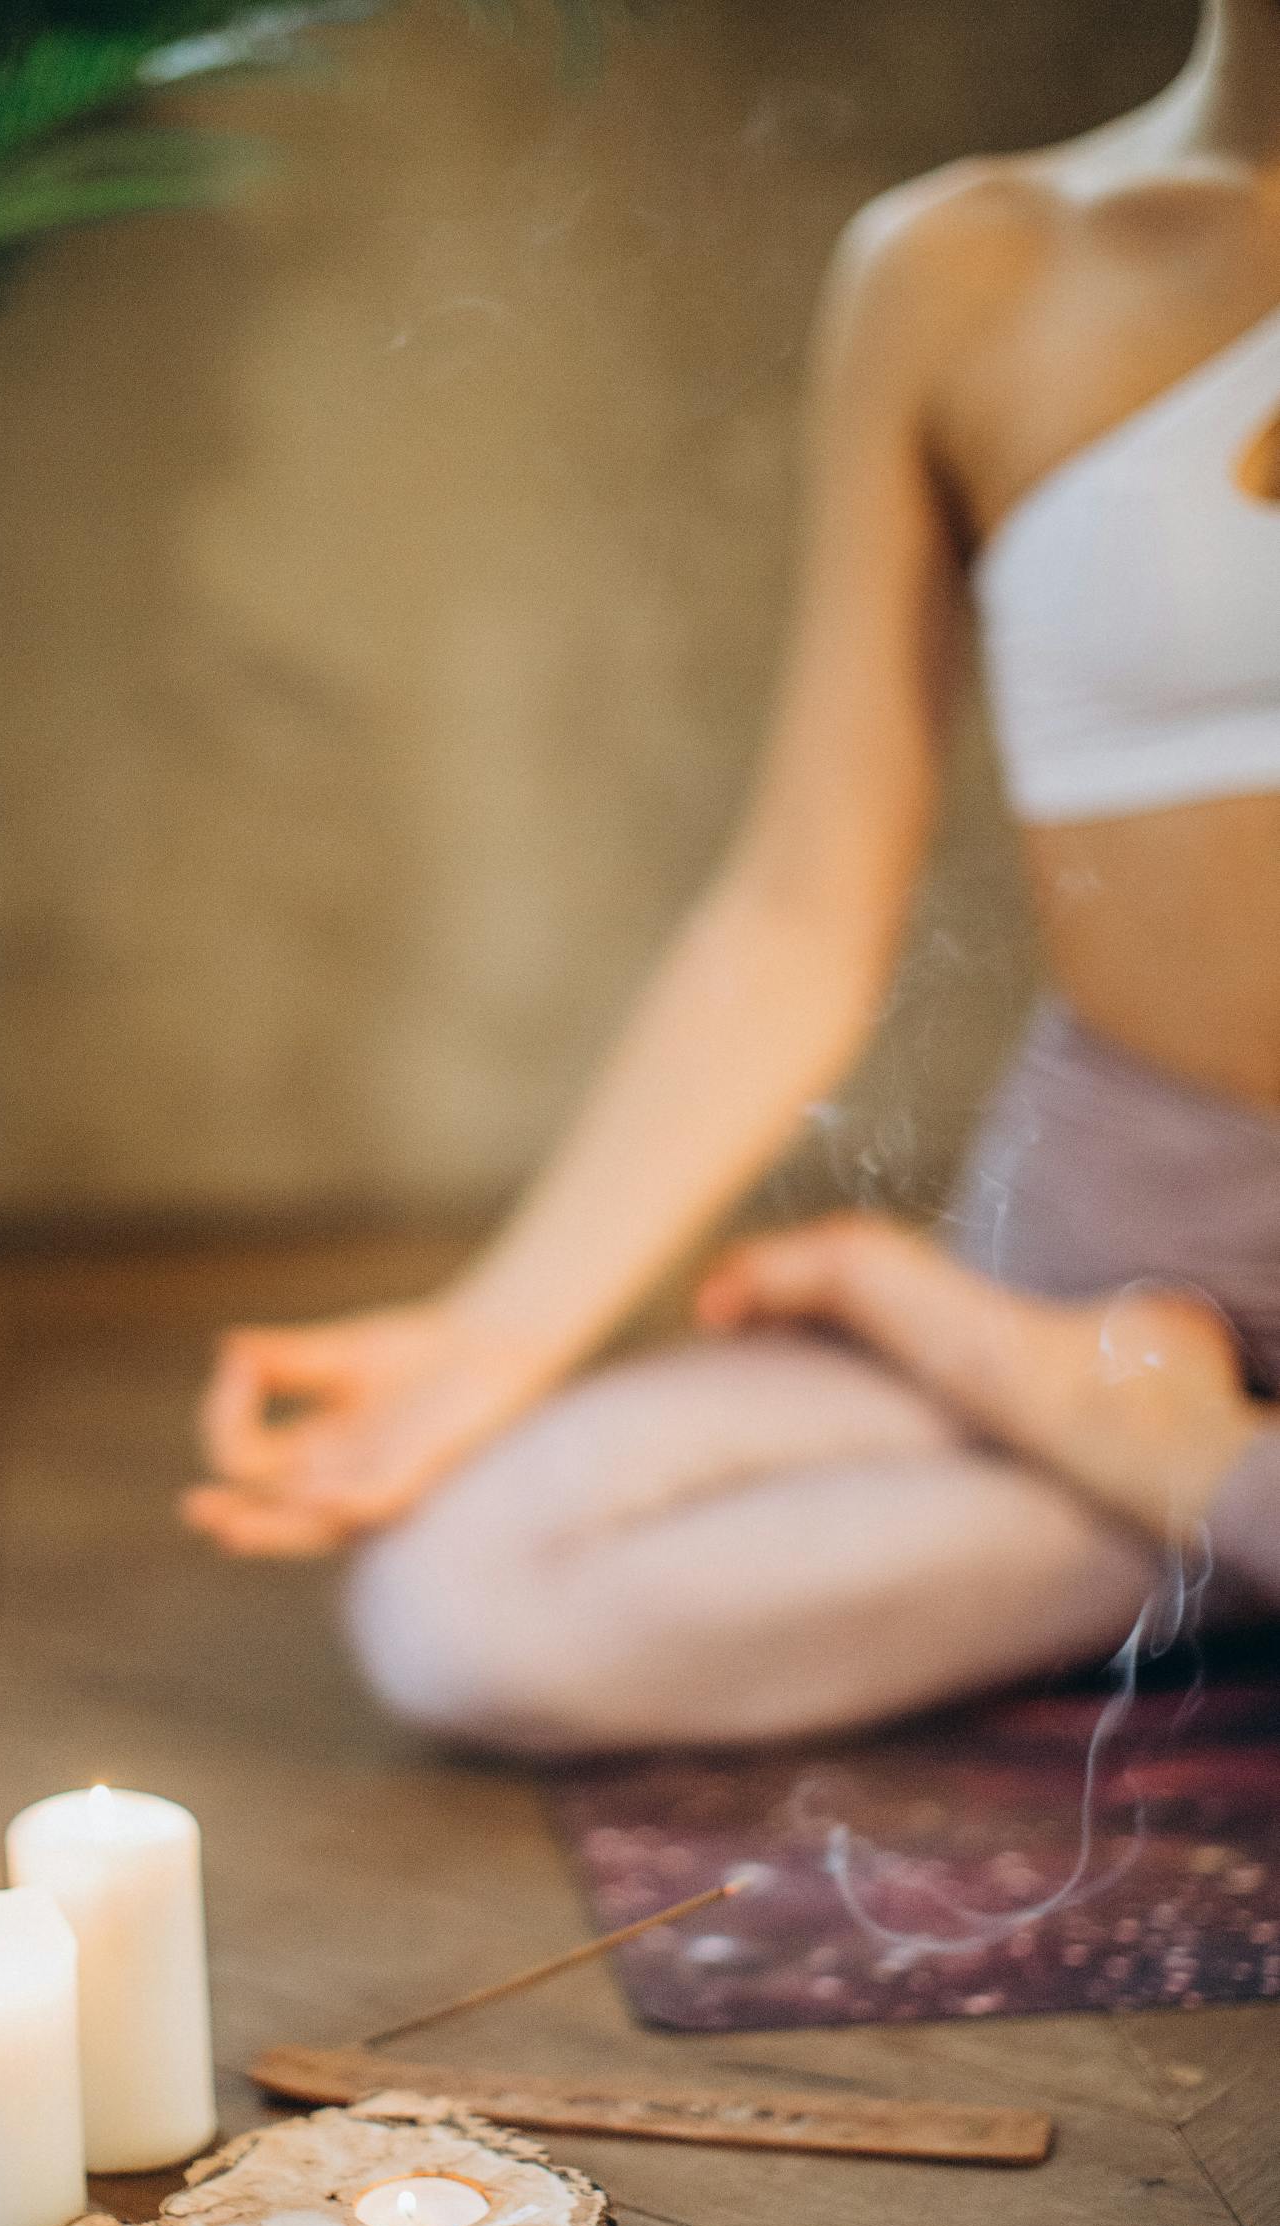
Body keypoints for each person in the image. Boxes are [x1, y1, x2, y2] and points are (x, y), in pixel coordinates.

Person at [183, 0, 1280, 1754]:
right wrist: (493, 1334)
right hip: (1099, 1258)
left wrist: (1179, 1449)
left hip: (1084, 1375)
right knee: (471, 1604)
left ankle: (1184, 1477)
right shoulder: (967, 270)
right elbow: (799, 907)